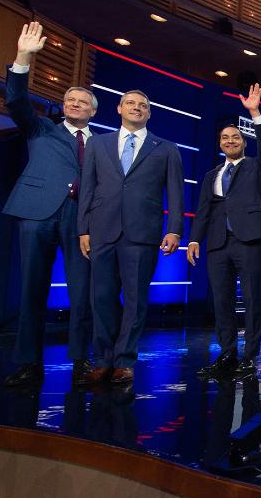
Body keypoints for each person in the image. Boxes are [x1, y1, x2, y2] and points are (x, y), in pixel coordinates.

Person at [2, 21, 96, 386]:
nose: (75, 104)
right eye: (70, 100)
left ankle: (80, 361)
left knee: (82, 293)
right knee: (32, 290)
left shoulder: (103, 145)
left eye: (82, 101)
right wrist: (23, 58)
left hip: (81, 221)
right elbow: (15, 100)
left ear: (92, 111)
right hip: (37, 213)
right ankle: (28, 363)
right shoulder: (41, 128)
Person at [77, 89, 183, 384]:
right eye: (131, 104)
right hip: (101, 230)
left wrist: (174, 229)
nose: (137, 108)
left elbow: (175, 192)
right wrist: (82, 229)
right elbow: (88, 188)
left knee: (136, 300)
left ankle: (124, 360)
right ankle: (102, 359)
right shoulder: (98, 144)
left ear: (149, 113)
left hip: (142, 233)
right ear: (119, 108)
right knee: (101, 298)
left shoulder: (166, 148)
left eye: (143, 106)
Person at [187, 84, 261, 379]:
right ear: (220, 144)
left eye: (235, 137)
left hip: (249, 239)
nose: (230, 141)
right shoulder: (212, 174)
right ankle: (227, 353)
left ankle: (249, 357)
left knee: (251, 299)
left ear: (244, 142)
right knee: (222, 300)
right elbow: (203, 211)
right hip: (218, 243)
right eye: (225, 138)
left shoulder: (256, 167)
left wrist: (254, 113)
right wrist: (195, 239)